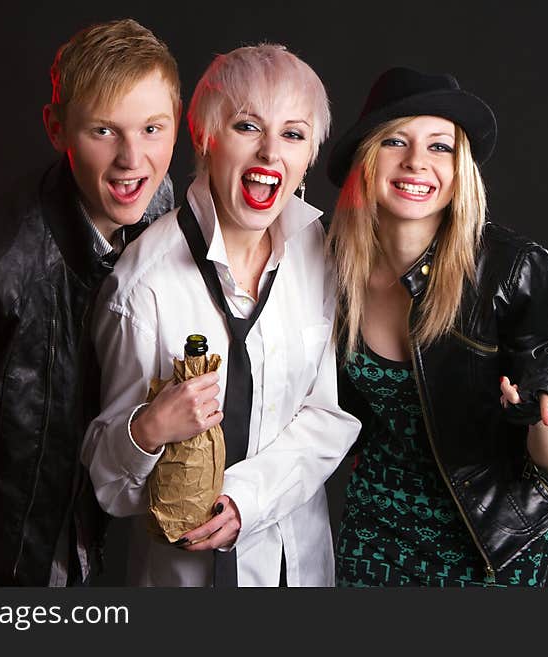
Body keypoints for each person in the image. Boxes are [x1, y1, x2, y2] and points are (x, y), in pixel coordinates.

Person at [0, 19, 180, 586]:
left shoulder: (164, 218)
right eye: (103, 131)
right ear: (56, 128)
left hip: (92, 555)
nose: (131, 159)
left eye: (151, 128)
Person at [82, 44, 361, 587]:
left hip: (300, 570)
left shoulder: (316, 251)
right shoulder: (143, 286)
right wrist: (147, 430)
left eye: (293, 134)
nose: (270, 154)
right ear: (206, 137)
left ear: (307, 158)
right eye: (247, 127)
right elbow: (111, 487)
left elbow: (328, 416)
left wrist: (247, 500)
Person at [325, 66, 548, 587]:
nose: (417, 162)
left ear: (459, 168)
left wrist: (540, 415)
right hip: (374, 534)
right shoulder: (331, 265)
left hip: (483, 544)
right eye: (396, 141)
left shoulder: (512, 270)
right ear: (367, 160)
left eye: (439, 146)